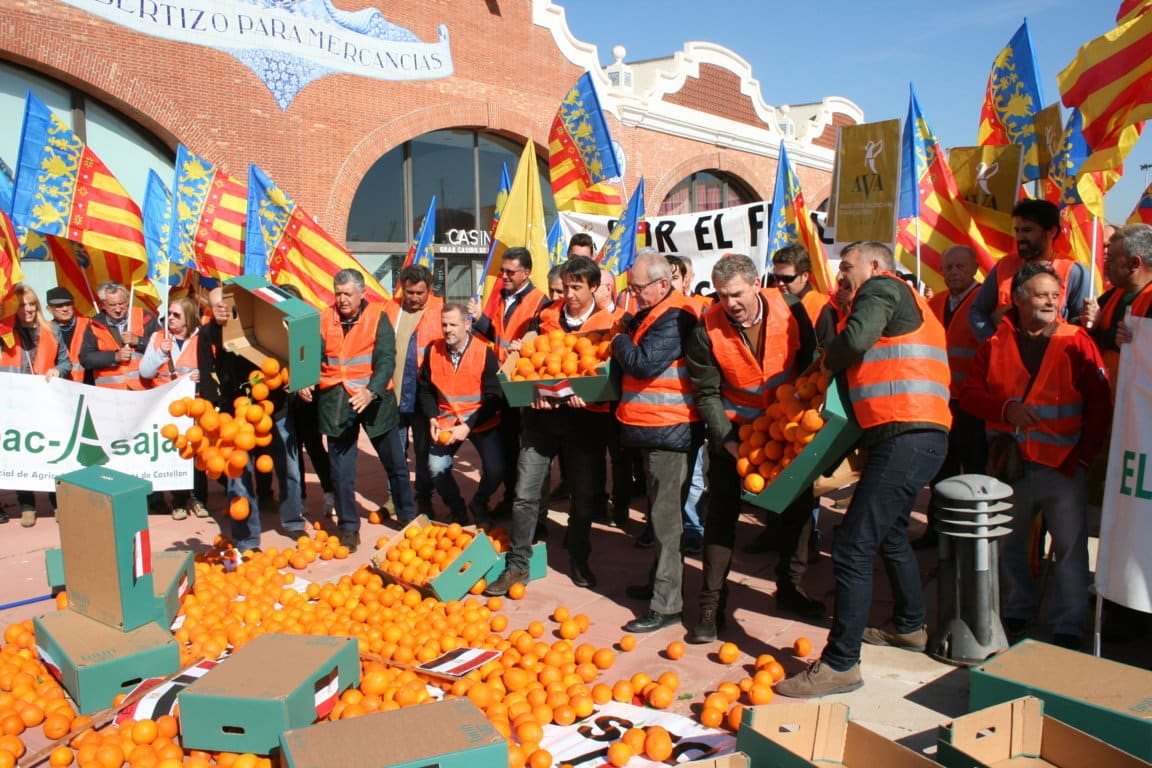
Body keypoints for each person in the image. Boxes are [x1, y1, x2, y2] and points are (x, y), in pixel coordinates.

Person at [777, 241, 951, 697]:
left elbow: (853, 342)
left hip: (906, 434)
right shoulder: (906, 300)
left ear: (875, 264)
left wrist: (824, 358)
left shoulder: (881, 288)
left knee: (853, 544)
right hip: (912, 435)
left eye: (847, 267)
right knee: (890, 533)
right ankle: (910, 626)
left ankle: (840, 664)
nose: (841, 276)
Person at [960, 263, 1111, 650]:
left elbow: (1099, 401)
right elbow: (971, 396)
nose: (1049, 301)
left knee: (1070, 550)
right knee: (1009, 546)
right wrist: (1006, 409)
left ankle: (1068, 625)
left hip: (1062, 467)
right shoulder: (994, 344)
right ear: (1019, 298)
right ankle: (1016, 609)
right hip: (1012, 469)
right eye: (1041, 294)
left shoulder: (1077, 341)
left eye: (1054, 295)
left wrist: (1083, 456)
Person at [684, 254, 822, 642]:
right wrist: (726, 440)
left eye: (738, 294)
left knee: (797, 510)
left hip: (789, 428)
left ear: (756, 284)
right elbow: (706, 392)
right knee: (721, 516)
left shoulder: (791, 310)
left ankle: (791, 588)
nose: (730, 303)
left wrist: (807, 418)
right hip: (738, 433)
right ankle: (711, 605)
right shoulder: (706, 328)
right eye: (722, 295)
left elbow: (811, 363)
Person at [484, 256, 617, 596]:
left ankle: (578, 556)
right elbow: (529, 362)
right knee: (525, 493)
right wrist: (533, 392)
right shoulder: (546, 319)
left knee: (584, 496)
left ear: (592, 287)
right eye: (567, 286)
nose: (570, 294)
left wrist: (587, 397)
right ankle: (518, 565)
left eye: (577, 287)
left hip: (585, 419)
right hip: (541, 418)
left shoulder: (607, 323)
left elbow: (606, 375)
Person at [614, 249, 704, 633]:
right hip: (656, 429)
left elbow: (643, 363)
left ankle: (667, 606)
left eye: (639, 289)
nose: (634, 295)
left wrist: (619, 339)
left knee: (667, 522)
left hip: (670, 430)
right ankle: (659, 586)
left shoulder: (676, 316)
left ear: (663, 284)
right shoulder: (656, 311)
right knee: (660, 514)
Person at [300, 269, 414, 552]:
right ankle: (349, 528)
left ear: (362, 293)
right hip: (336, 401)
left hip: (373, 401)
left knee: (396, 464)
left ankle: (408, 517)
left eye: (347, 294)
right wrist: (303, 379)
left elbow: (387, 358)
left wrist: (371, 390)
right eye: (338, 294)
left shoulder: (378, 316)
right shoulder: (324, 319)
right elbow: (310, 353)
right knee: (341, 470)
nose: (342, 299)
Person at [199, 287, 306, 548]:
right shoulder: (224, 327)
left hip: (274, 411)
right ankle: (247, 538)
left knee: (290, 468)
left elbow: (304, 352)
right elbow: (209, 337)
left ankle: (293, 521)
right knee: (239, 475)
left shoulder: (278, 325)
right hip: (237, 414)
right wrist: (219, 320)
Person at [468, 246, 548, 516]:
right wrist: (480, 320)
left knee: (526, 449)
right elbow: (498, 335)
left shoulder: (539, 302)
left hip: (522, 383)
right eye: (502, 270)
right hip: (502, 381)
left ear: (526, 273)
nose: (503, 276)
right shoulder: (503, 298)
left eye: (510, 272)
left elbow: (540, 342)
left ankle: (527, 505)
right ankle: (511, 497)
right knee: (508, 445)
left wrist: (526, 346)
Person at [917, 245, 987, 548]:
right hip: (939, 401)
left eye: (960, 267)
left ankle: (972, 536)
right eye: (948, 268)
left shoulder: (984, 302)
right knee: (941, 468)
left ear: (973, 268)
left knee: (973, 469)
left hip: (972, 403)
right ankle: (937, 531)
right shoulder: (935, 302)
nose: (953, 273)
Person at [417, 303, 504, 526]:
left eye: (453, 324)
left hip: (481, 422)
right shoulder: (433, 350)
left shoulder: (484, 352)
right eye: (444, 324)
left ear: (467, 324)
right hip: (446, 421)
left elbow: (495, 396)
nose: (447, 329)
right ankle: (457, 509)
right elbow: (425, 387)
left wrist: (468, 425)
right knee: (436, 467)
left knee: (495, 470)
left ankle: (479, 502)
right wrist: (432, 417)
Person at [969, 199, 1090, 343]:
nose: (1020, 237)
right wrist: (994, 341)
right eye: (1017, 230)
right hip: (1006, 360)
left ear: (1051, 231)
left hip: (1052, 359)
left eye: (1027, 230)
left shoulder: (1074, 272)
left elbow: (1082, 324)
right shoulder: (1004, 266)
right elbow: (977, 312)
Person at [1, 285, 70, 527]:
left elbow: (65, 361)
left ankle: (57, 502)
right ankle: (27, 504)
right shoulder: (6, 333)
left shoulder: (50, 330)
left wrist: (58, 370)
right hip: (16, 404)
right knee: (23, 453)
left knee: (51, 451)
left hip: (46, 401)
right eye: (22, 305)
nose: (28, 309)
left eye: (32, 304)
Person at [385, 264, 444, 522]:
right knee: (395, 450)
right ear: (402, 289)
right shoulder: (389, 309)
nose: (415, 298)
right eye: (410, 292)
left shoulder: (440, 310)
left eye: (420, 293)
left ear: (429, 290)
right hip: (393, 393)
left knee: (422, 451)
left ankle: (423, 497)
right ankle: (393, 497)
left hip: (423, 396)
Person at [139, 295, 207, 520]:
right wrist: (160, 352)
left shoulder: (200, 339)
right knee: (174, 451)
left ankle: (198, 499)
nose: (170, 319)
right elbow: (145, 372)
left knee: (195, 451)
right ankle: (177, 501)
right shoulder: (158, 337)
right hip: (166, 406)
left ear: (188, 318)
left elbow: (211, 368)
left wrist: (202, 376)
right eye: (169, 314)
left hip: (193, 406)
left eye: (176, 315)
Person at [1083, 223, 1152, 384]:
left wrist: (1115, 338)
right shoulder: (1113, 294)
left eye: (1112, 259)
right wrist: (1090, 325)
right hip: (1110, 398)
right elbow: (1080, 328)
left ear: (1134, 263)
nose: (1105, 264)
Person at [79, 281, 161, 389]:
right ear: (103, 305)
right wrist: (115, 356)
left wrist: (138, 341)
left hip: (144, 389)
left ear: (127, 301)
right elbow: (86, 358)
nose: (118, 309)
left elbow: (162, 347)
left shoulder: (145, 317)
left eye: (121, 303)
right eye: (112, 305)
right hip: (110, 392)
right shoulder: (94, 324)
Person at [44, 286, 89, 382]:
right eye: (59, 305)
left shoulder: (89, 324)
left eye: (68, 304)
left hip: (89, 386)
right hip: (59, 387)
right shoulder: (45, 330)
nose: (65, 309)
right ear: (49, 309)